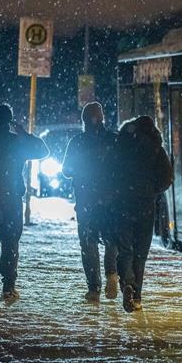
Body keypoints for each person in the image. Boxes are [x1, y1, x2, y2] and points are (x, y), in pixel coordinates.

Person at [0, 104, 48, 300]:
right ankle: (8, 286)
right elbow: (43, 151)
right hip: (10, 200)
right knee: (10, 243)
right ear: (9, 121)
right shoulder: (15, 142)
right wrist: (25, 134)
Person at [107, 116, 173, 312]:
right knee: (140, 253)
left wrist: (116, 191)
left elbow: (108, 173)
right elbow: (167, 177)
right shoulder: (155, 149)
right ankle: (136, 296)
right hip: (145, 204)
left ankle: (127, 282)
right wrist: (152, 190)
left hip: (121, 203)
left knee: (125, 249)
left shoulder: (120, 146)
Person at [62, 102, 119, 302]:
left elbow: (66, 171)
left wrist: (82, 170)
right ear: (102, 118)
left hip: (86, 200)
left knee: (88, 243)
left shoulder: (76, 142)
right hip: (111, 200)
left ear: (83, 120)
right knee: (112, 240)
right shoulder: (114, 140)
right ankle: (112, 273)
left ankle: (94, 288)